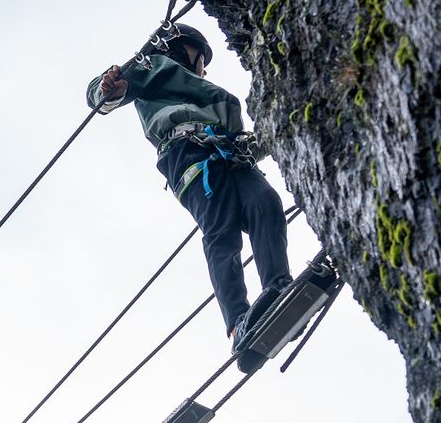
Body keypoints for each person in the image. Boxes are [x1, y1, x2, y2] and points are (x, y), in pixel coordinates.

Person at [89, 24, 292, 368]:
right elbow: (101, 93)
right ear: (182, 47)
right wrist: (109, 88)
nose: (203, 69)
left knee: (265, 203)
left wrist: (276, 135)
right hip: (188, 152)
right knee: (221, 228)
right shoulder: (153, 67)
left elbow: (244, 138)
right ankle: (238, 323)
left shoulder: (209, 96)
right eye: (201, 58)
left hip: (230, 151)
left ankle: (279, 286)